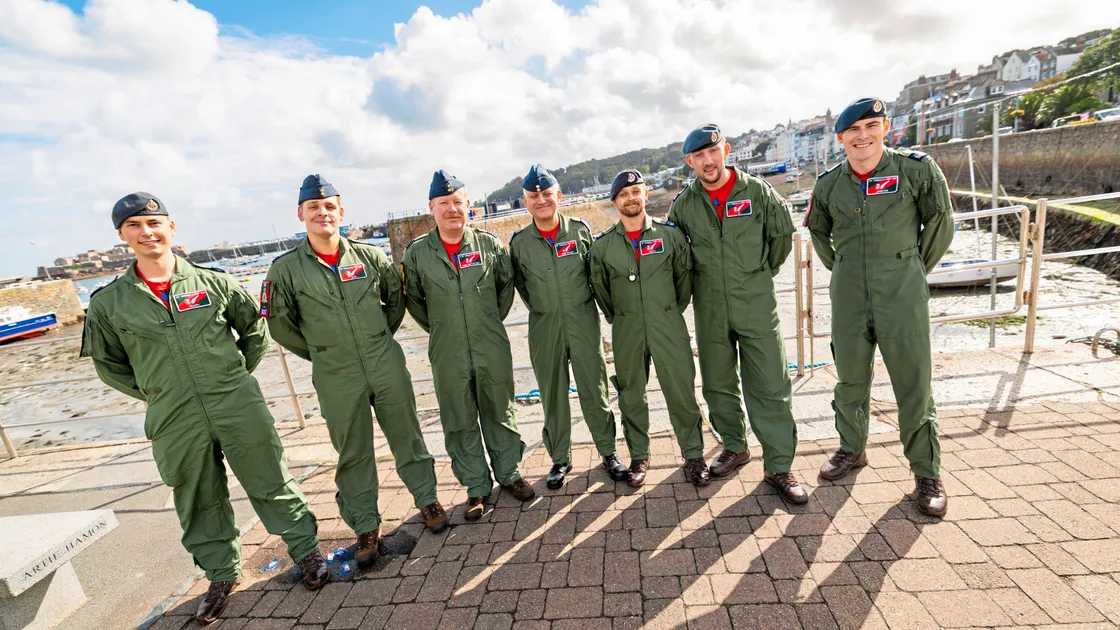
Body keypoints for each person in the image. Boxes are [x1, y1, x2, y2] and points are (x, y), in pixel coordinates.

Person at [80, 193, 328, 624]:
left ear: (171, 228)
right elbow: (110, 366)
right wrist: (159, 392)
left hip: (236, 402)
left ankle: (306, 551)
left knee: (270, 478)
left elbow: (254, 332)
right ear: (121, 235)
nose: (147, 232)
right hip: (173, 416)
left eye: (153, 223)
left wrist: (231, 379)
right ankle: (220, 576)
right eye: (135, 225)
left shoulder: (214, 283)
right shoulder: (108, 303)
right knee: (197, 499)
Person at [264, 175, 447, 568]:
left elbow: (394, 303)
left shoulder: (371, 257)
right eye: (314, 208)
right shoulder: (285, 270)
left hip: (384, 361)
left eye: (329, 206)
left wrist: (377, 338)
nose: (322, 213)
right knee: (353, 452)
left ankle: (428, 500)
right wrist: (323, 353)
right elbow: (281, 326)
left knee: (408, 436)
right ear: (301, 214)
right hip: (335, 372)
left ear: (341, 212)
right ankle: (366, 526)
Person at [807, 97, 954, 517]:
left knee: (913, 384)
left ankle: (926, 472)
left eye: (871, 125)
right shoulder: (829, 184)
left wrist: (908, 266)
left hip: (902, 292)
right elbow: (819, 231)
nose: (863, 135)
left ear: (885, 128)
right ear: (840, 138)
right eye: (853, 130)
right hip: (849, 293)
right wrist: (845, 268)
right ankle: (852, 448)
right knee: (850, 379)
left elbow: (941, 223)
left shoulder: (915, 170)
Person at [668, 124, 807, 504]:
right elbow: (679, 259)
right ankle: (735, 445)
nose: (707, 161)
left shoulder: (757, 191)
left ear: (725, 150)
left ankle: (779, 465)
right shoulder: (684, 205)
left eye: (713, 152)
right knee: (717, 382)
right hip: (710, 306)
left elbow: (780, 240)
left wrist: (755, 275)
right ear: (690, 161)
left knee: (770, 384)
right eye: (699, 156)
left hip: (756, 303)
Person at [401, 170, 534, 520]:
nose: (451, 209)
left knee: (500, 411)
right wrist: (445, 327)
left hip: (490, 343)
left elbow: (505, 291)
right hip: (447, 350)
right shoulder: (417, 254)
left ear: (468, 205)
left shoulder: (489, 245)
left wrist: (486, 319)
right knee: (459, 419)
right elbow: (415, 301)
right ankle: (476, 487)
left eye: (457, 202)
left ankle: (509, 474)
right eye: (443, 203)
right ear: (431, 207)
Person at [509, 164, 628, 489]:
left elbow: (596, 275)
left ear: (558, 195)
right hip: (544, 327)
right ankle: (560, 458)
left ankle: (608, 452)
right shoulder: (520, 243)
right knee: (553, 396)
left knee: (595, 389)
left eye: (547, 194)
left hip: (583, 322)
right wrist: (544, 310)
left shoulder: (580, 231)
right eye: (534, 196)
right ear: (525, 201)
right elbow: (521, 286)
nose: (541, 200)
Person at [589, 169, 710, 488]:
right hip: (627, 326)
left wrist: (668, 310)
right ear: (614, 202)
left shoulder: (670, 235)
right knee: (631, 395)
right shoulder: (602, 247)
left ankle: (694, 455)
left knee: (681, 391)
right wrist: (623, 316)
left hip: (668, 321)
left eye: (636, 191)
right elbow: (601, 291)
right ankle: (639, 456)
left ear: (645, 194)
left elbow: (684, 280)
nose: (631, 198)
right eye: (623, 194)